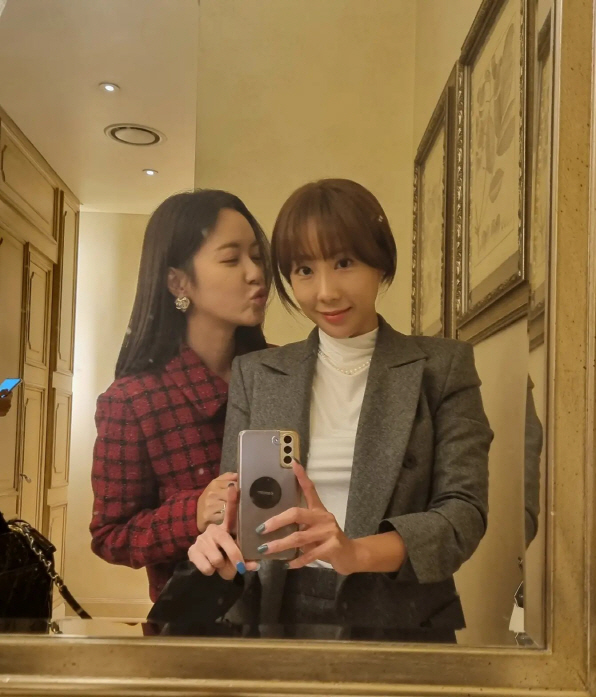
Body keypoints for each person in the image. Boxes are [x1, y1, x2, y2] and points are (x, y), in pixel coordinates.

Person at [186, 178, 493, 642]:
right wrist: (219, 540)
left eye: (344, 263)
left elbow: (463, 514)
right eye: (304, 270)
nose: (326, 292)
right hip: (276, 616)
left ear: (380, 261)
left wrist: (355, 552)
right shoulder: (258, 373)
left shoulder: (442, 367)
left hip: (400, 618)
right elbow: (241, 508)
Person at [90, 189, 270, 606]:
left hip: (301, 613)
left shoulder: (282, 374)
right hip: (196, 622)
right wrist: (194, 511)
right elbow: (110, 537)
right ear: (178, 282)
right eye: (232, 259)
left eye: (257, 257)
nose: (256, 274)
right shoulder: (132, 401)